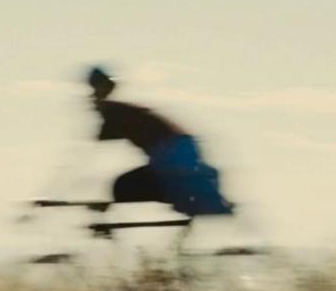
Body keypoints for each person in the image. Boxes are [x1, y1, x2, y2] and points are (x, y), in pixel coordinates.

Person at [86, 66, 234, 217]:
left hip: (171, 152)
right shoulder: (119, 110)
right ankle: (199, 199)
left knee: (124, 185)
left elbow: (103, 136)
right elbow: (107, 134)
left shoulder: (112, 110)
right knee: (130, 184)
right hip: (181, 147)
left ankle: (200, 201)